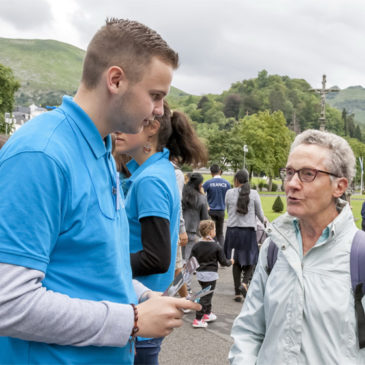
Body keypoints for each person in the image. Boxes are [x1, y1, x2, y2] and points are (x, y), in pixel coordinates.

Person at [0, 19, 200, 365]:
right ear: (116, 80)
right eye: (155, 96)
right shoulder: (42, 154)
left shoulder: (103, 151)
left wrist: (141, 294)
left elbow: (91, 267)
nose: (159, 112)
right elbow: (10, 302)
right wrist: (133, 320)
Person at [229, 129, 365, 364]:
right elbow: (249, 331)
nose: (292, 184)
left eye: (307, 174)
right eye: (289, 172)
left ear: (339, 187)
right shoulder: (274, 247)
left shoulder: (359, 255)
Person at [113, 101, 207, 365]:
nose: (116, 130)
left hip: (141, 311)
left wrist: (103, 262)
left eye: (125, 121)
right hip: (143, 308)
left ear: (152, 128)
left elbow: (156, 258)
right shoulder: (157, 171)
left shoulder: (150, 180)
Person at [224, 169, 266, 303]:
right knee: (252, 259)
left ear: (236, 180)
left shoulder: (229, 193)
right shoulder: (254, 194)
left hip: (232, 230)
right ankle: (245, 282)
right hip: (248, 231)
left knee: (236, 260)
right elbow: (260, 214)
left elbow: (228, 210)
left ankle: (237, 292)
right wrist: (267, 225)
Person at [190, 220, 233, 328]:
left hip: (200, 275)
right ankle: (198, 319)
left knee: (206, 293)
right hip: (211, 275)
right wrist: (230, 262)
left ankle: (207, 314)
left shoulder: (196, 246)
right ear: (210, 232)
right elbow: (223, 262)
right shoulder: (216, 247)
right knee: (206, 297)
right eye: (214, 229)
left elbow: (191, 260)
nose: (215, 231)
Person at [182, 172, 209, 263]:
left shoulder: (182, 194)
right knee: (188, 259)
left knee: (179, 260)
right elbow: (205, 217)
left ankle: (179, 276)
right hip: (193, 230)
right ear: (199, 184)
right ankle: (185, 277)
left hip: (180, 228)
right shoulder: (201, 198)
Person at [203, 164, 231, 247]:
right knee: (220, 233)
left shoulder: (208, 183)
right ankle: (222, 252)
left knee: (211, 233)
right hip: (221, 211)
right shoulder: (227, 184)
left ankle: (213, 251)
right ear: (220, 171)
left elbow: (200, 194)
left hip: (211, 211)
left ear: (211, 173)